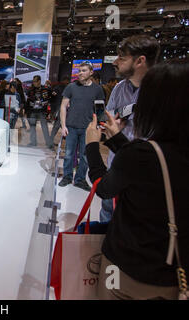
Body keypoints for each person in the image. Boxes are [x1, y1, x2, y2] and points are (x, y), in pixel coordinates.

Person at [85, 59, 188, 300]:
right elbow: (151, 171)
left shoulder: (142, 154)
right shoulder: (150, 154)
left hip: (127, 271)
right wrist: (117, 140)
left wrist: (91, 146)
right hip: (175, 275)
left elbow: (104, 188)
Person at [99, 35, 160, 223]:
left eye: (122, 58)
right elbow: (110, 118)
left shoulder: (162, 91)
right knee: (107, 211)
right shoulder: (119, 88)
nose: (115, 63)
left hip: (146, 172)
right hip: (116, 163)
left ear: (140, 60)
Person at [58, 61, 105, 191]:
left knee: (85, 156)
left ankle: (80, 179)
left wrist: (99, 126)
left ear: (91, 72)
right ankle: (67, 177)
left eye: (84, 70)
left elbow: (100, 109)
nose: (80, 73)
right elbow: (62, 106)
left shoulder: (98, 89)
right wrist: (63, 125)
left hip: (88, 128)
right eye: (79, 70)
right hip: (71, 126)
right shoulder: (71, 87)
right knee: (68, 154)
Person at [25, 75, 55, 149]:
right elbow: (27, 100)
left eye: (35, 81)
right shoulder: (30, 90)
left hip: (42, 111)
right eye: (33, 81)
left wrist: (48, 103)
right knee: (32, 127)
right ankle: (33, 142)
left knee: (44, 127)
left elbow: (54, 96)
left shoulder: (46, 89)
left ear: (39, 81)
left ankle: (49, 144)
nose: (34, 83)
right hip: (33, 111)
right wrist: (27, 110)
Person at [49, 76, 70, 146]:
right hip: (60, 108)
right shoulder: (60, 87)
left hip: (61, 108)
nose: (67, 83)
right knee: (58, 125)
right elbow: (53, 97)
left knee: (58, 125)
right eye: (67, 81)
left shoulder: (60, 87)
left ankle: (51, 140)